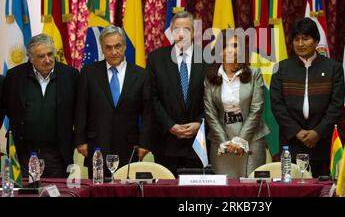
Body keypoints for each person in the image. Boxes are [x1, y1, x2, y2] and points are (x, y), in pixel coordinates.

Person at [270, 18, 344, 177]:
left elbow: (336, 105)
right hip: (291, 143)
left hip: (322, 142)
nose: (300, 44)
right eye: (296, 39)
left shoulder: (333, 68)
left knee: (322, 190)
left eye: (305, 38)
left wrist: (317, 132)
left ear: (316, 41)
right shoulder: (281, 68)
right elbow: (277, 105)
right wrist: (297, 131)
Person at [74, 25, 151, 177]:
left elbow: (148, 112)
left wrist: (145, 143)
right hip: (97, 145)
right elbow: (81, 108)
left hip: (129, 146)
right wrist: (80, 140)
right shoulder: (89, 73)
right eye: (108, 47)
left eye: (118, 46)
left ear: (124, 46)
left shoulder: (141, 75)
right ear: (102, 49)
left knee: (127, 191)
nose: (114, 52)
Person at [0, 34, 79, 178]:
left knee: (57, 193)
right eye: (41, 56)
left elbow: (80, 112)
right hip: (23, 154)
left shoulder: (71, 75)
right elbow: (5, 108)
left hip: (57, 155)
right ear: (30, 58)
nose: (47, 60)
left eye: (50, 54)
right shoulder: (14, 77)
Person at [147, 11, 208, 176]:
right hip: (166, 142)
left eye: (187, 29)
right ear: (171, 32)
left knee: (195, 196)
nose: (181, 34)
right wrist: (170, 126)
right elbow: (152, 98)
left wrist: (200, 123)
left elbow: (213, 98)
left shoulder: (207, 58)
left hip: (198, 143)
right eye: (177, 29)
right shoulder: (156, 59)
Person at [204, 29, 269, 178]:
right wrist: (224, 142)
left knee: (252, 189)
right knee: (222, 190)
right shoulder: (210, 78)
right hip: (221, 141)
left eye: (234, 45)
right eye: (225, 46)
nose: (230, 50)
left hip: (251, 139)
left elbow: (256, 109)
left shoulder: (254, 73)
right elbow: (210, 113)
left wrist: (240, 140)